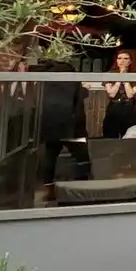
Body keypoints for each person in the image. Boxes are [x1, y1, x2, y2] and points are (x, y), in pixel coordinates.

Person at [37, 59, 87, 187]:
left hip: (51, 125)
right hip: (72, 127)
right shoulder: (71, 79)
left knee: (50, 157)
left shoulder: (46, 79)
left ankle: (47, 186)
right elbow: (78, 100)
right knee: (82, 158)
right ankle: (83, 185)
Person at [101, 50, 136, 138]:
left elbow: (130, 95)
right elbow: (112, 94)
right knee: (110, 135)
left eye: (126, 58)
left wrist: (125, 78)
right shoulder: (110, 74)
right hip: (114, 106)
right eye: (119, 58)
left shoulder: (135, 75)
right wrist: (119, 77)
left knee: (128, 136)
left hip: (129, 107)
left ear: (130, 61)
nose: (122, 61)